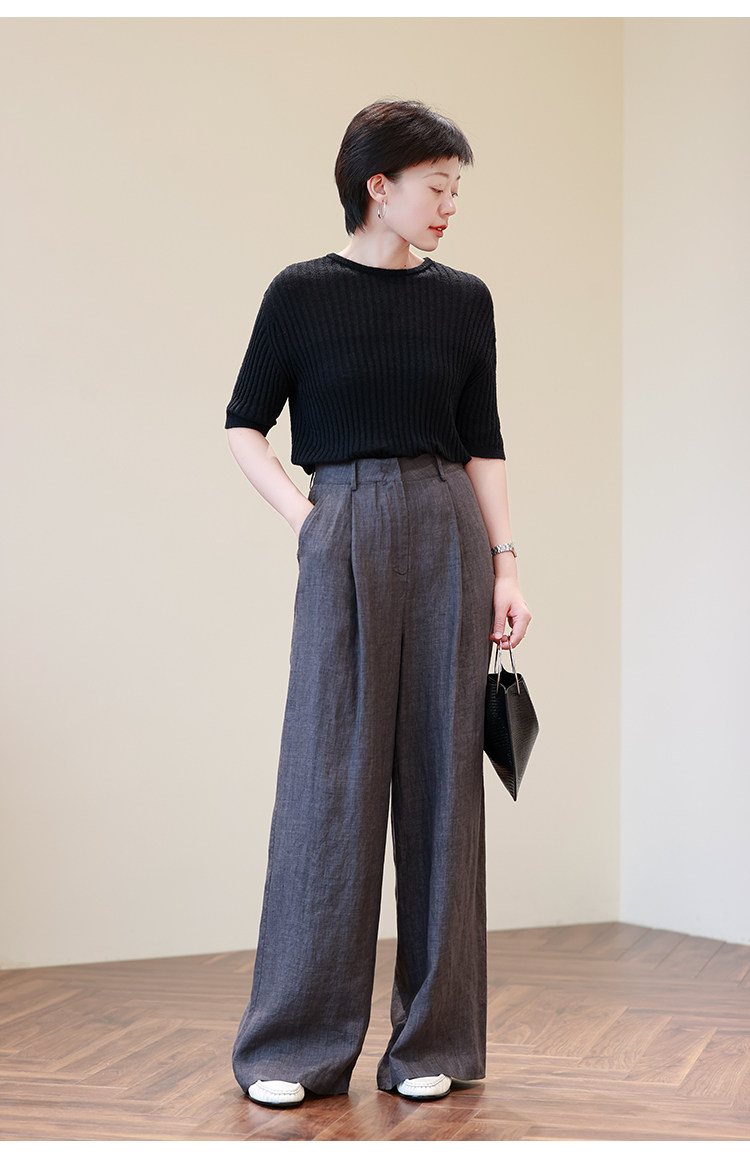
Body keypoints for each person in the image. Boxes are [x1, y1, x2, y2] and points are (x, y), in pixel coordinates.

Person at [224, 98, 532, 1110]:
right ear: (378, 186)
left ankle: (431, 1038)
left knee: (444, 780)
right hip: (344, 522)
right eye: (436, 185)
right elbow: (243, 423)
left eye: (456, 188)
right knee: (329, 779)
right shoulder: (300, 293)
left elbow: (483, 440)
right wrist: (305, 517)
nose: (449, 205)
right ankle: (295, 1044)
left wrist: (507, 565)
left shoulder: (465, 300)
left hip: (448, 526)